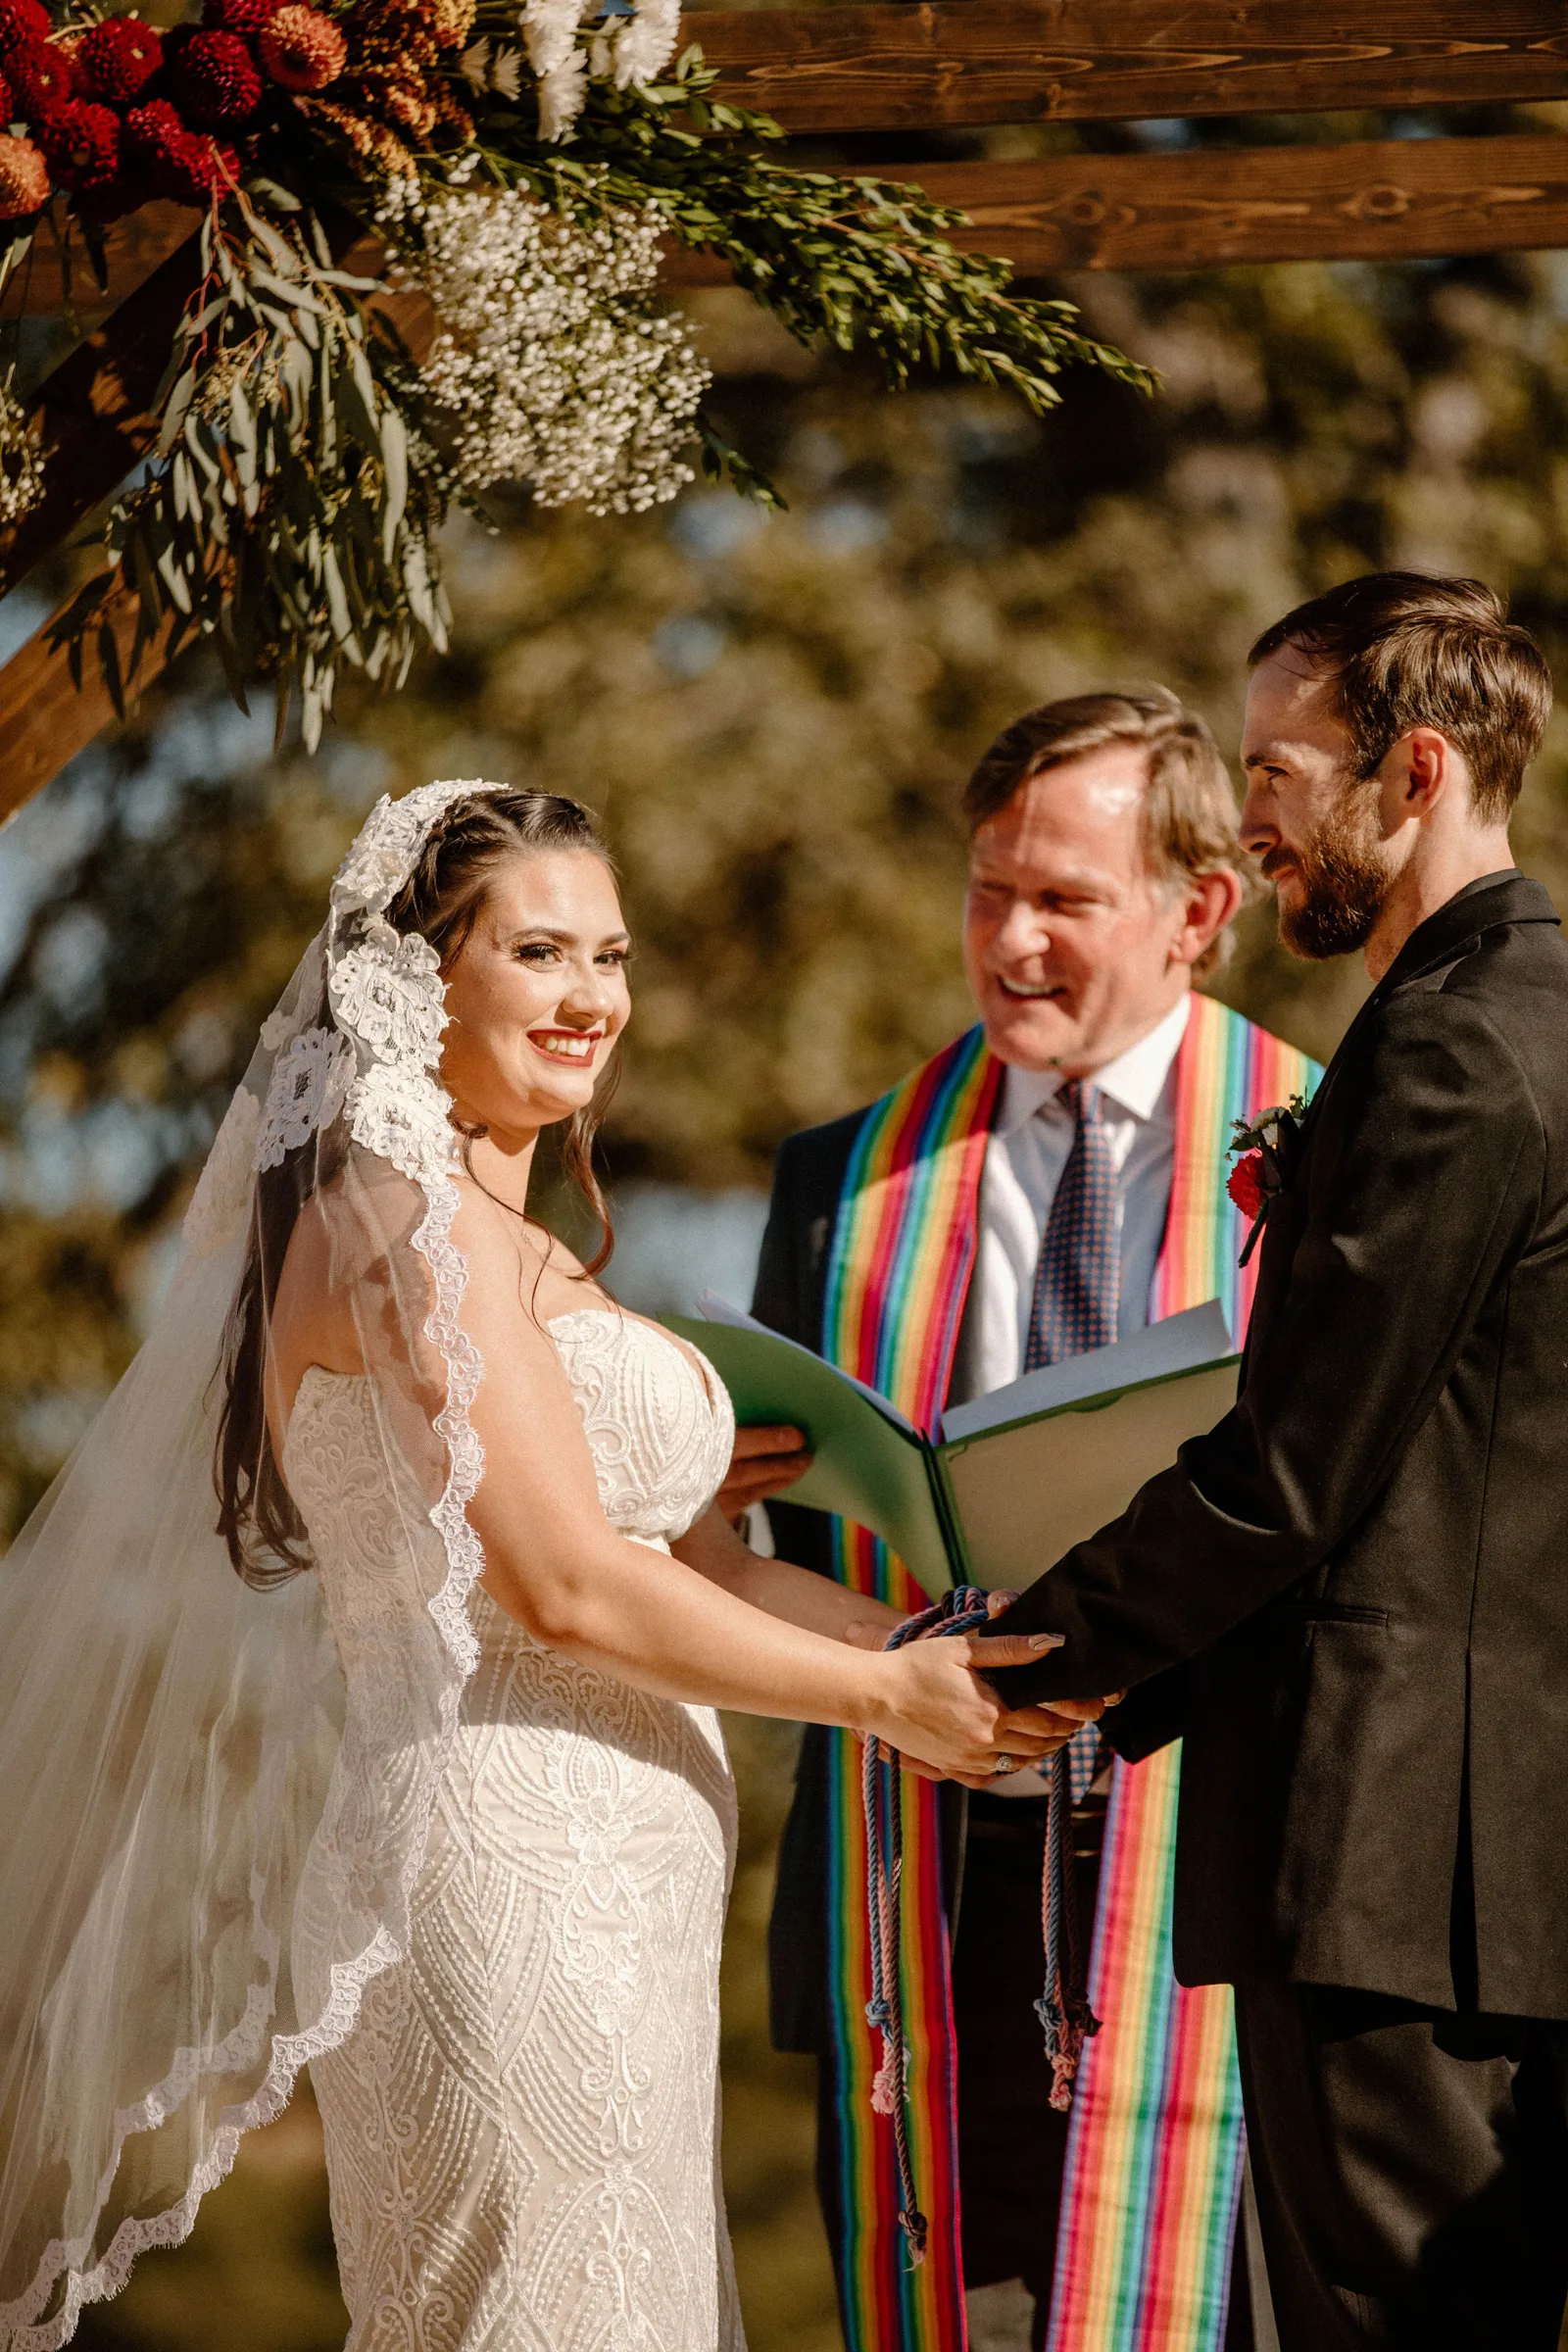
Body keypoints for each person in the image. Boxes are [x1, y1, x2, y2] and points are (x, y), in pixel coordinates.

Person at [0, 781, 1093, 2352]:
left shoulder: (537, 1258)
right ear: (417, 979)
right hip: (501, 1871)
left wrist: (972, 1658)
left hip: (627, 1890)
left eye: (612, 955)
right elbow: (565, 1589)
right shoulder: (394, 1225)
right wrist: (881, 1697)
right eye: (539, 953)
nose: (592, 999)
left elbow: (698, 1573)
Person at [986, 575, 1568, 2352]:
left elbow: (1294, 1475)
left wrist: (1030, 1666)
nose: (1249, 811)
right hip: (1500, 1865)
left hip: (1402, 1867)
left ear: (1416, 770)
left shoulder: (1458, 1048)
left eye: (1280, 767)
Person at [727, 692, 1318, 2352]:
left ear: (1199, 908)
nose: (1012, 939)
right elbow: (792, 1544)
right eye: (991, 889)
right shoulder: (845, 1185)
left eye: (1066, 898)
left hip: (1220, 1865)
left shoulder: (1340, 1146)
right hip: (933, 1869)